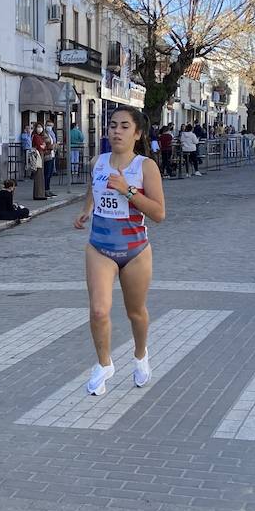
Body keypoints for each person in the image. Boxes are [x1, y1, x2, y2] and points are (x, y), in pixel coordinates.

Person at [74, 107, 167, 397]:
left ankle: (141, 355)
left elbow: (159, 213)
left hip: (136, 250)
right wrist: (86, 210)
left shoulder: (145, 167)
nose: (116, 131)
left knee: (135, 312)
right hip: (99, 247)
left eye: (125, 126)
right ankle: (104, 364)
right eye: (113, 125)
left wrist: (128, 191)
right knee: (99, 310)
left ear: (137, 134)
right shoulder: (98, 162)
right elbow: (94, 188)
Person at [30, 124, 48, 200]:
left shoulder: (39, 136)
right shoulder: (36, 136)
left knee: (40, 175)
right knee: (39, 175)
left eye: (40, 127)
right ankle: (39, 194)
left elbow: (44, 146)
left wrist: (43, 146)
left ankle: (39, 194)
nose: (39, 129)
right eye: (38, 127)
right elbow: (40, 146)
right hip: (38, 155)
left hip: (40, 155)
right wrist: (43, 146)